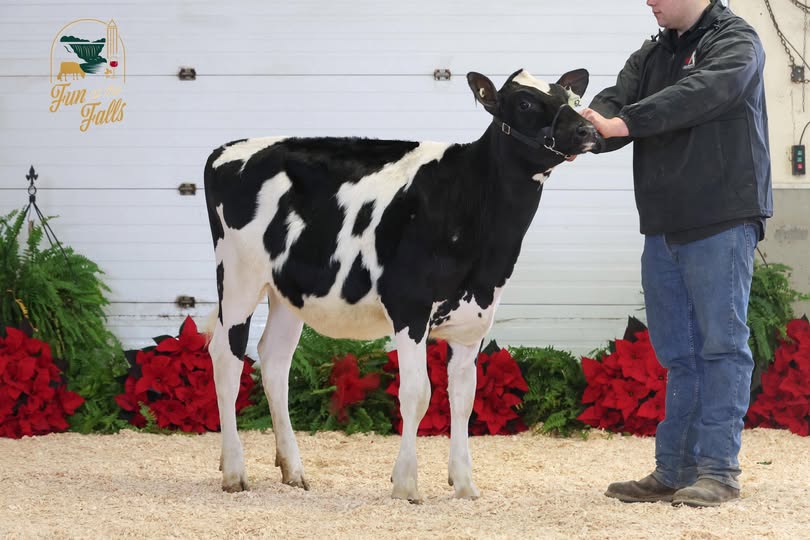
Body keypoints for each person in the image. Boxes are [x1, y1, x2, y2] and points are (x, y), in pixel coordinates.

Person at [580, 0, 773, 507]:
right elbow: (612, 103)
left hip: (721, 215)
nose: (648, 0)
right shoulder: (651, 55)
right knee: (679, 354)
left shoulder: (735, 42)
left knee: (721, 347)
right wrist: (580, 130)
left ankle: (719, 472)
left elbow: (701, 93)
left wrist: (625, 122)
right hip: (663, 222)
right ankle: (674, 471)